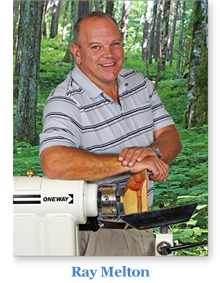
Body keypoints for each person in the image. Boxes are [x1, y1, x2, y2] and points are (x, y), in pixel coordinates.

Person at [40, 12, 182, 256]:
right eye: (96, 46)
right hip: (102, 236)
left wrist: (153, 152)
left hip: (143, 227)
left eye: (115, 43)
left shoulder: (139, 83)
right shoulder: (65, 100)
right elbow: (54, 163)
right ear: (77, 53)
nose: (109, 54)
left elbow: (170, 135)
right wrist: (131, 163)